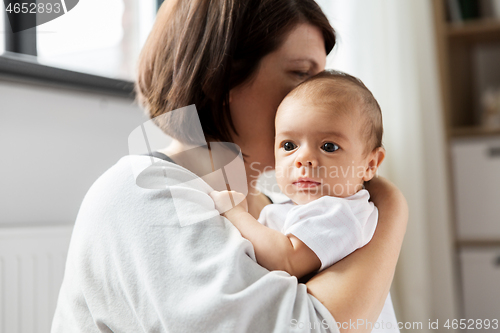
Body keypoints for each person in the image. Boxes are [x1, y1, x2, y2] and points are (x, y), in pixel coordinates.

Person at [51, 1, 408, 332]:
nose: (319, 98)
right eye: (302, 74)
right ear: (221, 77)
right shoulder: (139, 192)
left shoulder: (293, 214)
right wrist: (391, 208)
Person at [209, 70, 400, 332]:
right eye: (289, 146)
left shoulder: (343, 212)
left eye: (329, 146)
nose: (303, 159)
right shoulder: (290, 208)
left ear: (370, 164)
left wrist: (235, 213)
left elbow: (285, 260)